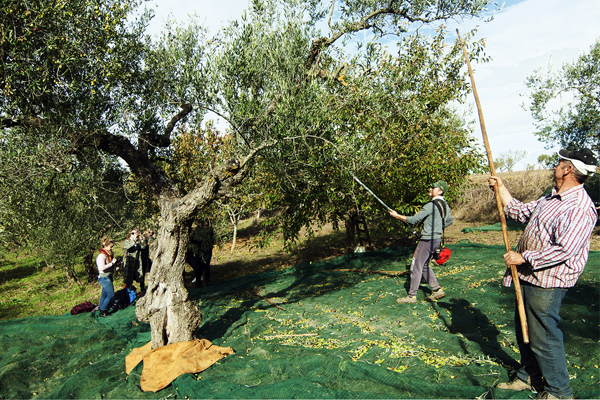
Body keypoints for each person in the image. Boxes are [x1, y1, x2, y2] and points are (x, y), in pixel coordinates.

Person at [489, 148, 598, 399]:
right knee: (524, 328)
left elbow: (565, 250)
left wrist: (524, 256)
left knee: (543, 335)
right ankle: (529, 377)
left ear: (568, 169)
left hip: (548, 280)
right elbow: (519, 211)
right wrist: (501, 188)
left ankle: (559, 391)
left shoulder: (580, 207)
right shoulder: (550, 198)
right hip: (527, 275)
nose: (555, 166)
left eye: (559, 163)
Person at [388, 180, 454, 303]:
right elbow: (449, 221)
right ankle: (437, 289)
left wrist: (396, 215)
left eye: (433, 188)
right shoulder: (444, 204)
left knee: (416, 265)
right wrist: (437, 227)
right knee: (424, 265)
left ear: (440, 191)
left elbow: (414, 220)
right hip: (436, 239)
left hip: (427, 240)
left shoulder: (431, 205)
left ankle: (411, 296)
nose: (430, 189)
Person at [187, 219, 215, 287]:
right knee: (199, 267)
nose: (206, 227)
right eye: (205, 225)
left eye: (207, 225)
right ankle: (199, 282)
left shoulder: (209, 231)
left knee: (206, 267)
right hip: (198, 252)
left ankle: (207, 282)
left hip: (207, 252)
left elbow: (211, 240)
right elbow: (194, 240)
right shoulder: (196, 232)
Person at [96, 237, 117, 317]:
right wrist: (112, 263)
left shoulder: (108, 255)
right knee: (110, 295)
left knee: (104, 294)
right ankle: (103, 311)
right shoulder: (102, 256)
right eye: (111, 246)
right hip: (104, 277)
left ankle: (102, 308)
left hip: (108, 276)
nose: (112, 248)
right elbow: (101, 268)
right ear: (106, 246)